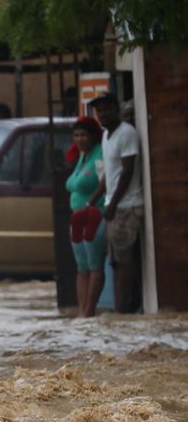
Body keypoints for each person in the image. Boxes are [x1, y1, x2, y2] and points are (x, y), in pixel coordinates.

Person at [91, 93, 144, 314]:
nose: (102, 114)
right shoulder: (106, 136)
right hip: (113, 206)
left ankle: (123, 310)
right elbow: (109, 173)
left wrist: (113, 204)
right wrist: (96, 197)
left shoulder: (127, 134)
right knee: (116, 261)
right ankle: (126, 306)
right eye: (99, 111)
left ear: (116, 109)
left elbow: (127, 172)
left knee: (123, 261)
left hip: (127, 207)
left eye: (106, 109)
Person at [65, 117, 106, 318]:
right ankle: (83, 312)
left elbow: (106, 180)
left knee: (94, 265)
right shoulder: (82, 157)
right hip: (77, 218)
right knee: (82, 268)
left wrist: (92, 203)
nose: (79, 139)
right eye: (76, 135)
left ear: (92, 136)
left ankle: (90, 310)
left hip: (94, 216)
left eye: (83, 135)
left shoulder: (99, 153)